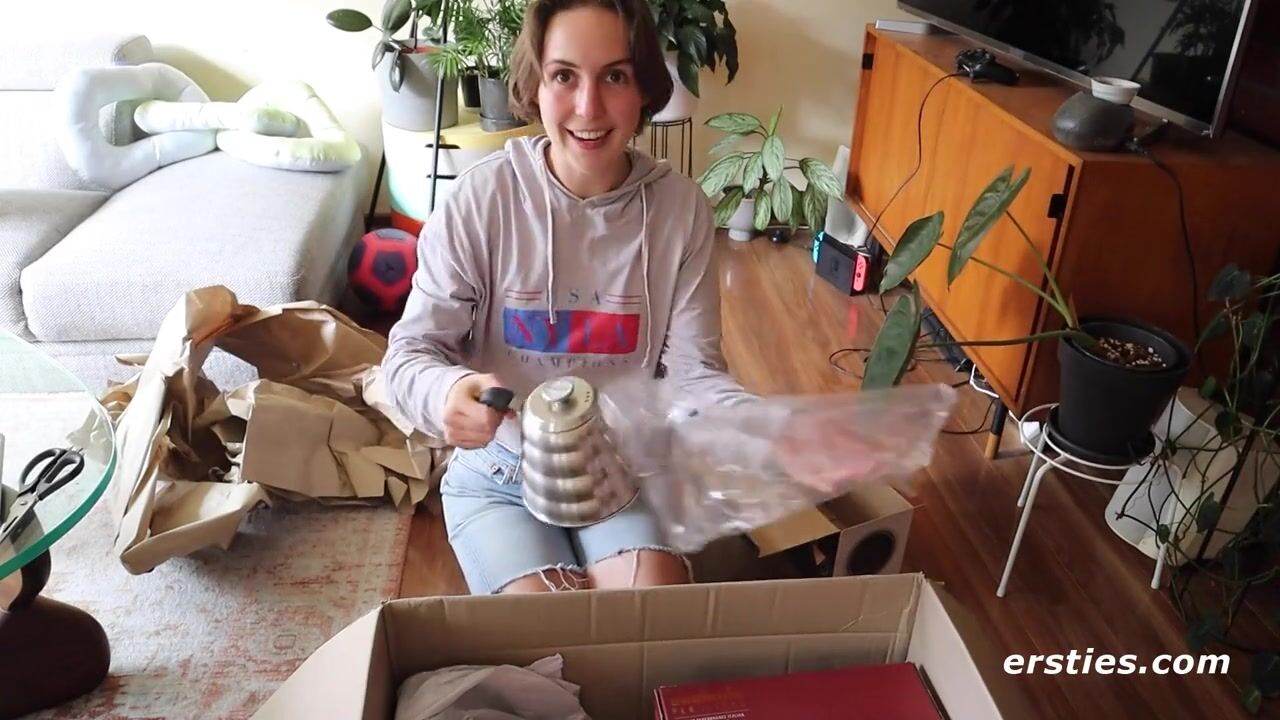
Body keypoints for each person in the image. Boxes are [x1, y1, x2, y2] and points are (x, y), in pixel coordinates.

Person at [382, 0, 751, 595]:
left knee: (646, 614)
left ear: (643, 88)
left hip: (622, 472)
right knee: (552, 630)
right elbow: (408, 356)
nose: (588, 107)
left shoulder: (681, 210)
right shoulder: (480, 200)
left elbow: (695, 371)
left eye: (615, 76)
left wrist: (746, 420)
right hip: (500, 475)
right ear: (535, 84)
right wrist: (446, 392)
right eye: (564, 76)